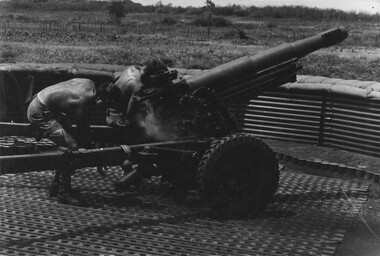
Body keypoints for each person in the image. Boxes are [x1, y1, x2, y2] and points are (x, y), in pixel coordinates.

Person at [27, 78, 103, 206]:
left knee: (68, 140)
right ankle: (63, 193)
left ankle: (56, 185)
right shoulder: (82, 100)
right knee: (71, 146)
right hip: (39, 112)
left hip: (49, 107)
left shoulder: (90, 83)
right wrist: (94, 150)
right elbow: (82, 127)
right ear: (98, 99)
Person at [105, 59, 175, 128]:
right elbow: (130, 114)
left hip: (115, 98)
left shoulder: (135, 69)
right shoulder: (138, 86)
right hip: (115, 116)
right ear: (153, 77)